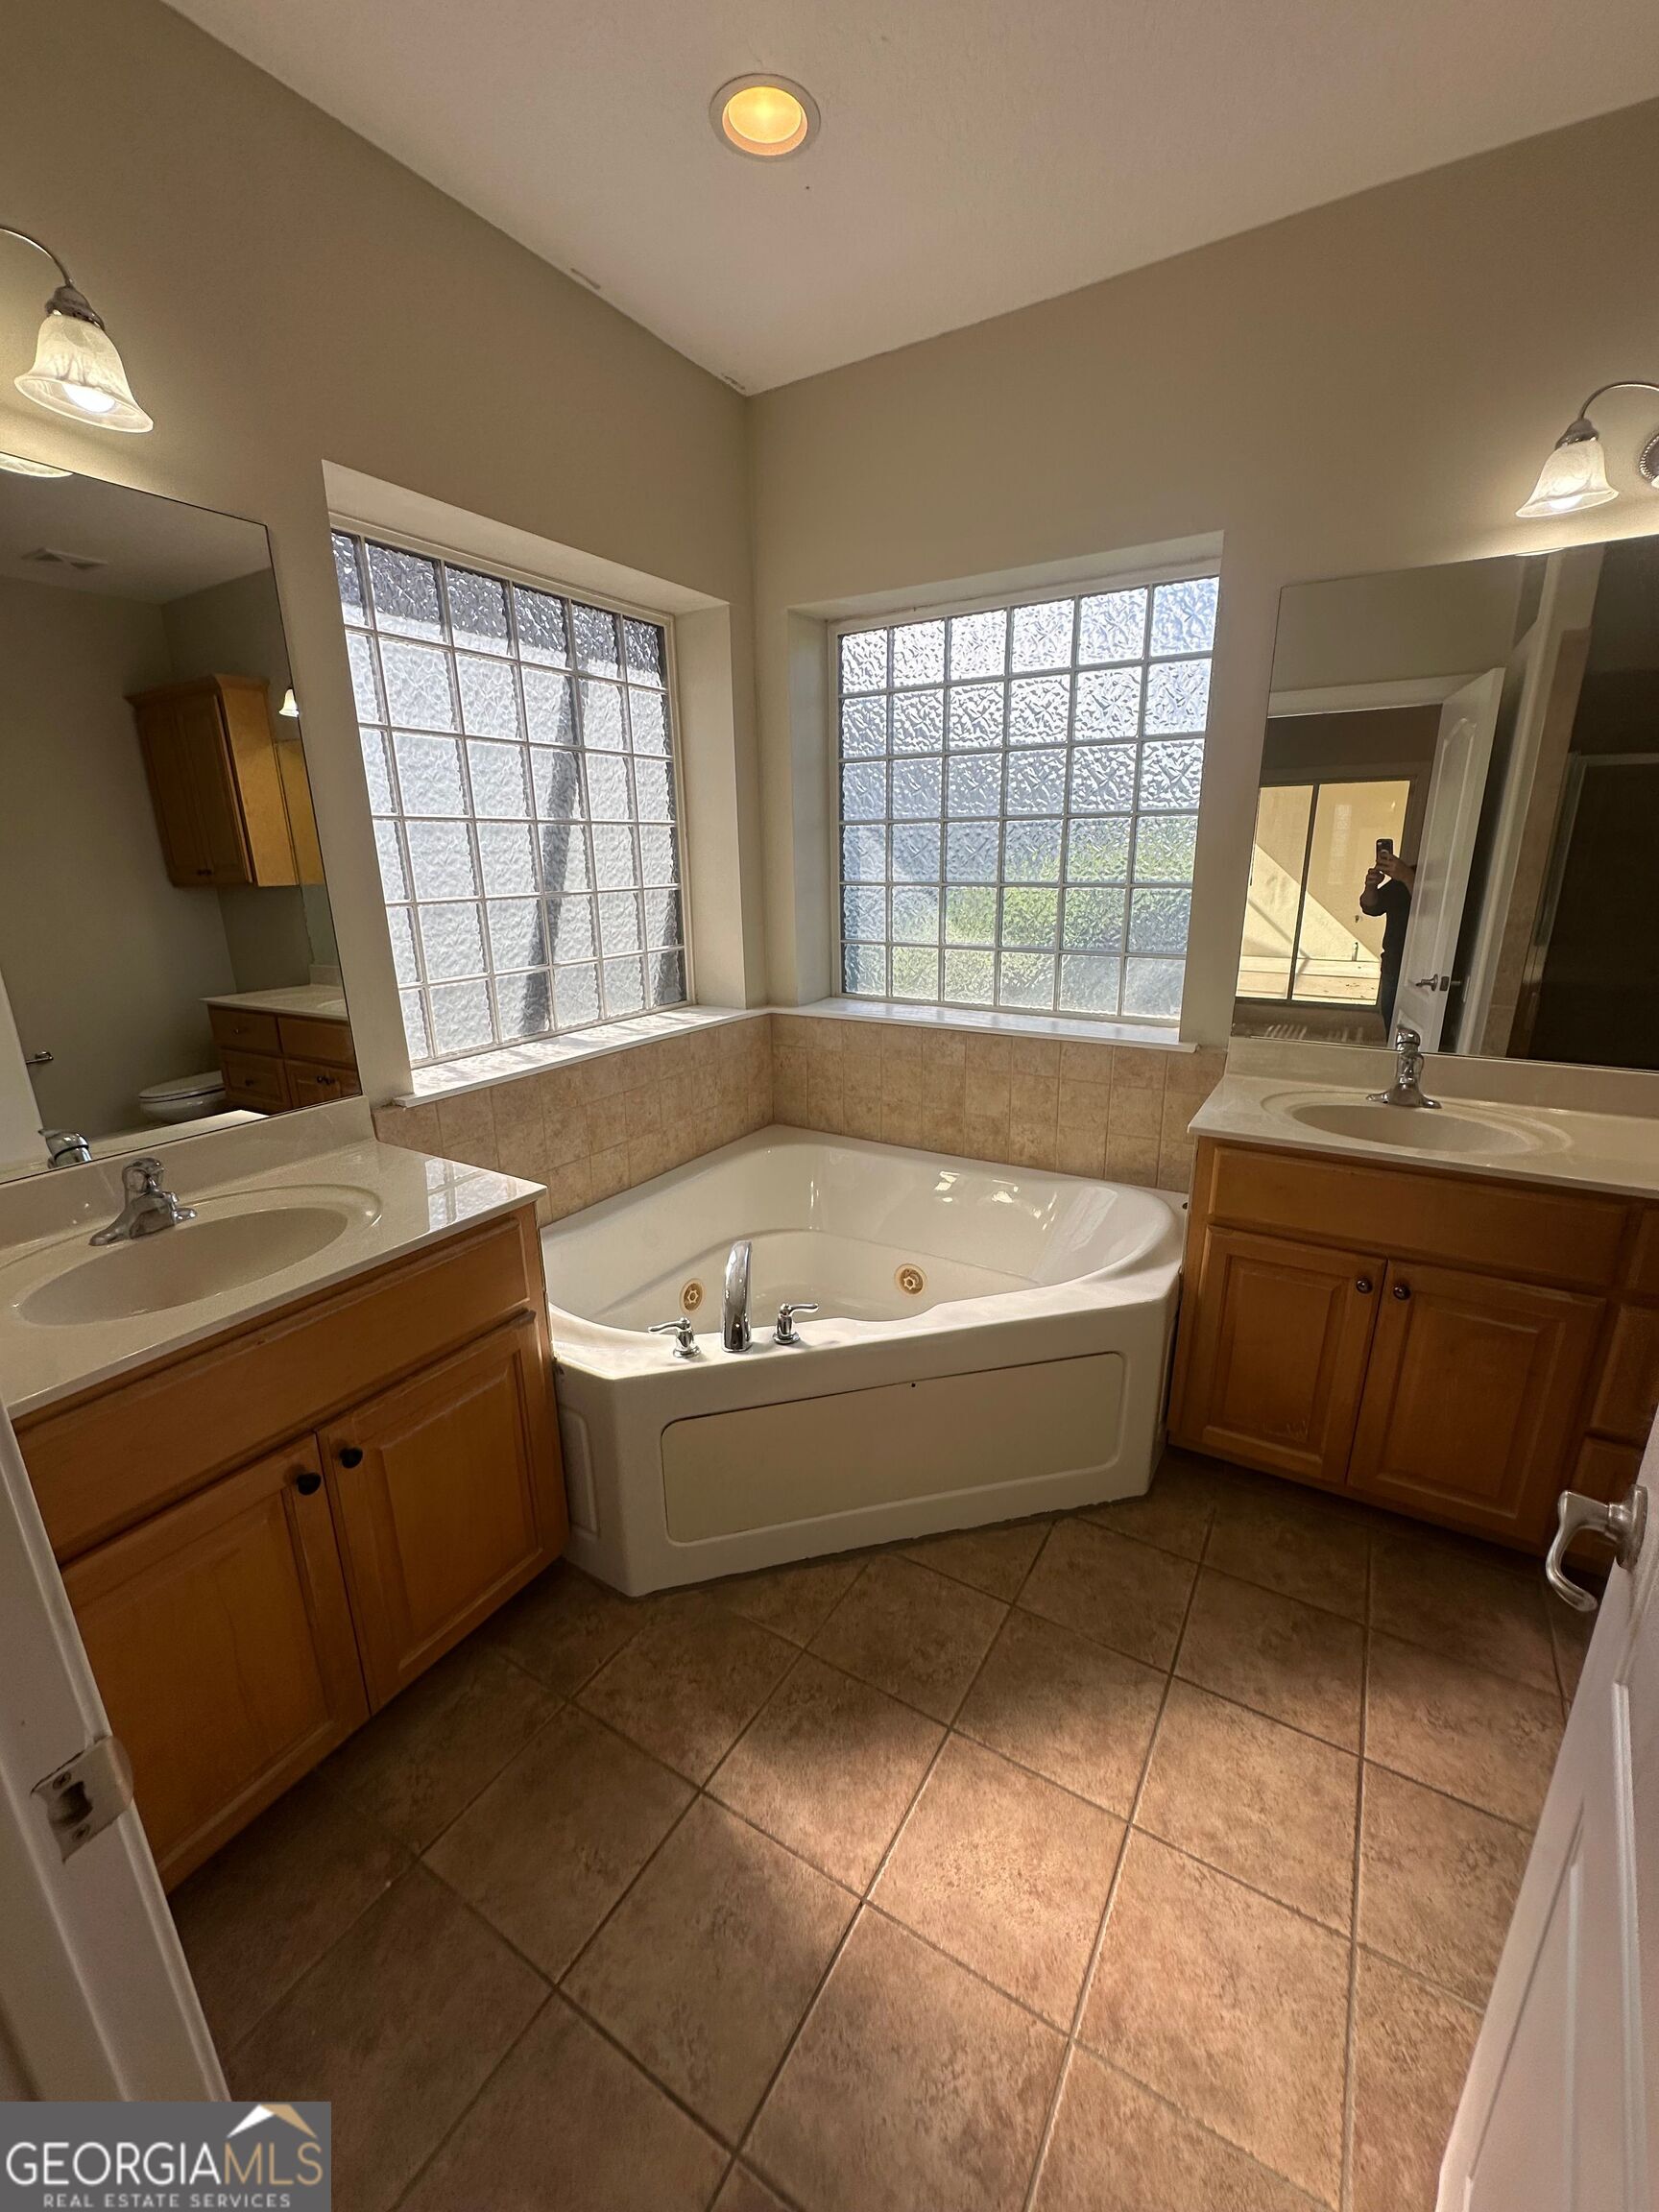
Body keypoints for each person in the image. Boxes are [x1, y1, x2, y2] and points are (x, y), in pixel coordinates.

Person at [1360, 846, 1415, 1031]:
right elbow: (1370, 906)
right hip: (1394, 963)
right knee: (1392, 1028)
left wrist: (1407, 876)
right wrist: (1371, 886)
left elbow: (1431, 907)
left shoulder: (1423, 879)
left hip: (1424, 969)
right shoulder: (1401, 881)